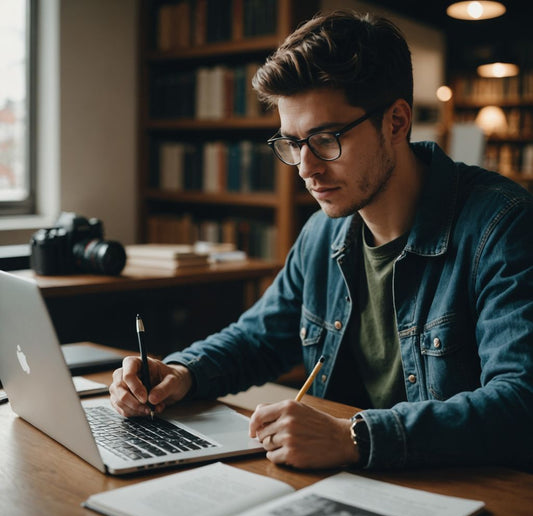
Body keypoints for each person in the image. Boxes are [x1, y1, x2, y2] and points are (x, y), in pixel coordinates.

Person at [110, 10, 533, 470]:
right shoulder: (324, 231)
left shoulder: (502, 225)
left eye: (326, 139)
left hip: (465, 492)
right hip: (343, 484)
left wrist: (355, 438)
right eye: (292, 143)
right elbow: (259, 337)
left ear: (396, 122)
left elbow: (520, 403)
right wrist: (181, 372)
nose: (307, 168)